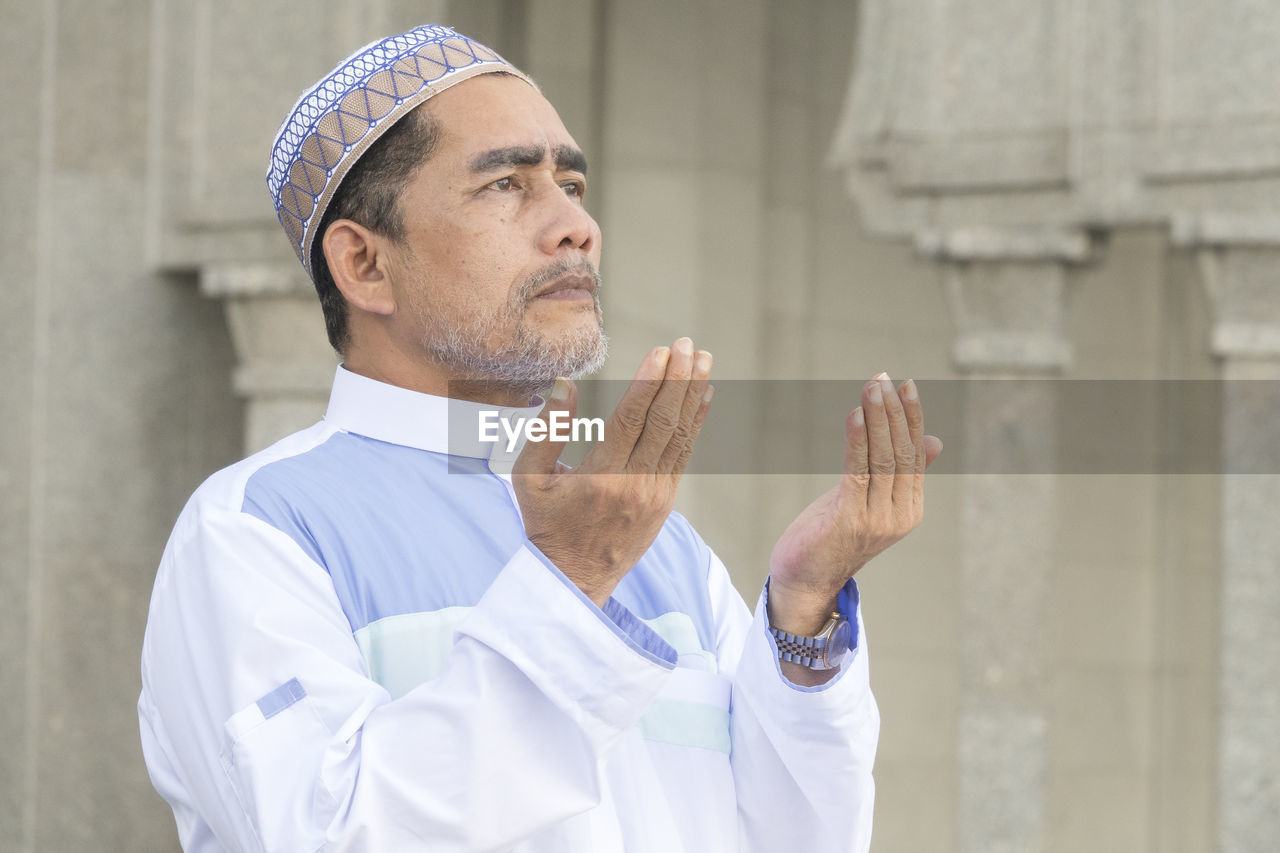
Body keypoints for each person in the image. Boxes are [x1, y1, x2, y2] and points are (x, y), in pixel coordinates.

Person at [138, 24, 940, 853]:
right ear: (364, 265)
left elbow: (794, 839)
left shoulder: (666, 550)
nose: (575, 227)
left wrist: (803, 615)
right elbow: (330, 836)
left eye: (572, 183)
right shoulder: (255, 530)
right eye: (506, 186)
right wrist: (570, 583)